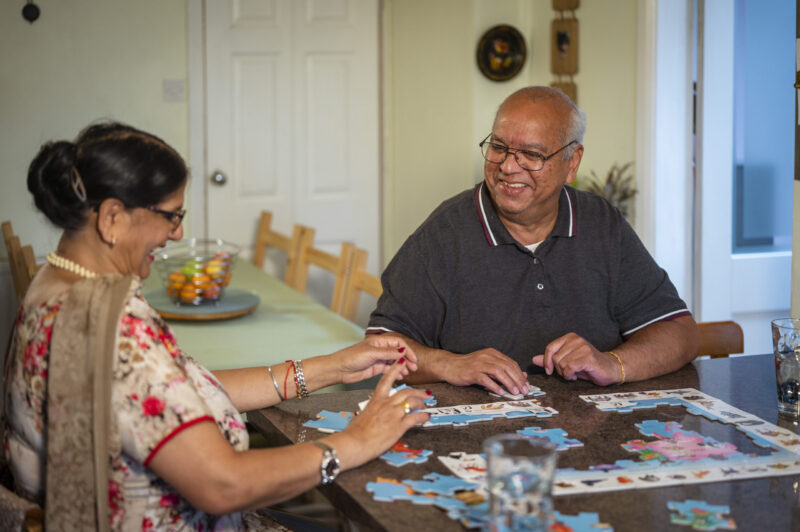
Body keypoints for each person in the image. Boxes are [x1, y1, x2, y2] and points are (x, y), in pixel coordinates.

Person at [2, 122, 430, 531]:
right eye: (170, 215)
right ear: (112, 217)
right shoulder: (114, 328)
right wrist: (355, 442)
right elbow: (223, 484)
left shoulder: (56, 285)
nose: (177, 231)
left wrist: (330, 368)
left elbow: (172, 392)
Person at [367, 86, 699, 395]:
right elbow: (378, 348)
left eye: (531, 153)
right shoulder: (444, 232)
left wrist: (612, 364)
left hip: (589, 437)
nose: (508, 166)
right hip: (479, 441)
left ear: (573, 163)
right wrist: (451, 363)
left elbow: (678, 333)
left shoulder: (602, 223)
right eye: (498, 147)